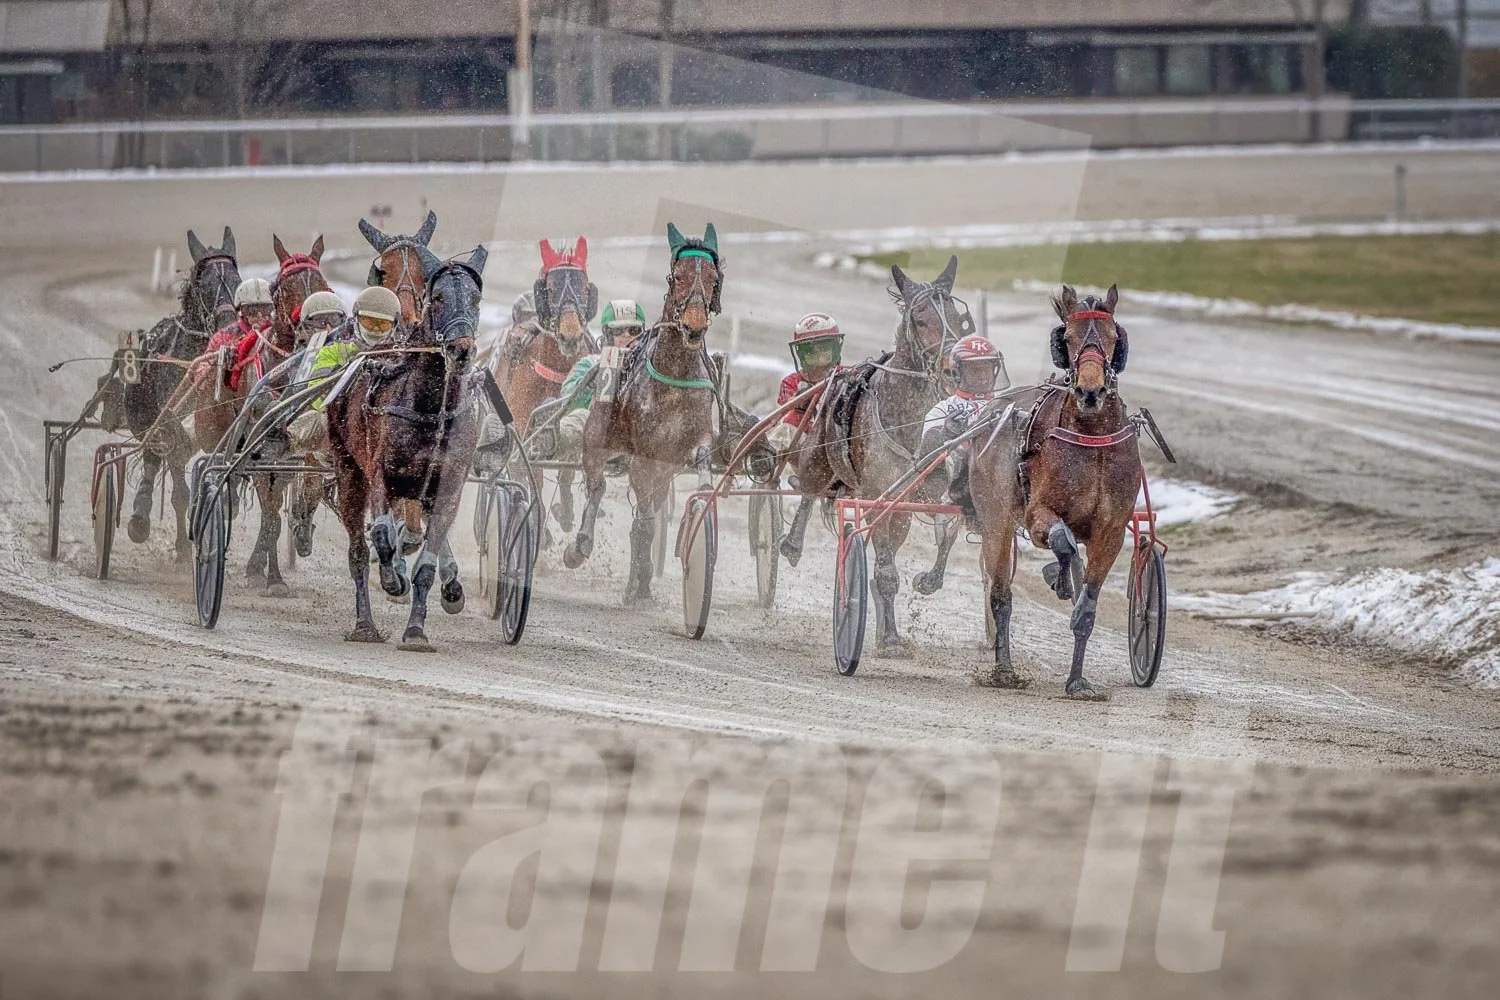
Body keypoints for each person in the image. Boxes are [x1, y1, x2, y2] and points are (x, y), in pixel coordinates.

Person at [286, 286, 400, 454]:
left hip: (388, 421)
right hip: (343, 420)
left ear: (394, 325)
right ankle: (285, 440)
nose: (375, 330)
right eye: (369, 322)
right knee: (320, 420)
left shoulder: (402, 355)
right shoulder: (334, 350)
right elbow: (316, 395)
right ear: (357, 319)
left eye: (382, 325)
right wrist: (343, 402)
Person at [919, 334, 1009, 510]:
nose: (983, 376)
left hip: (1000, 482)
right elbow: (926, 455)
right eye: (975, 370)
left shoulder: (1008, 405)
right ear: (957, 373)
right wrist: (945, 432)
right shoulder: (942, 410)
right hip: (955, 486)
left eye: (987, 369)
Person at [552, 298, 646, 460]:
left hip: (639, 429)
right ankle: (553, 441)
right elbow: (568, 397)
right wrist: (592, 382)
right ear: (608, 334)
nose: (627, 336)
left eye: (633, 330)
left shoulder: (649, 367)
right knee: (580, 416)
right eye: (619, 331)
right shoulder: (590, 363)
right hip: (597, 429)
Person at [768, 312, 845, 457]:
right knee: (786, 427)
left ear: (835, 348)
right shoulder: (791, 383)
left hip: (838, 449)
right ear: (801, 353)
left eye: (823, 348)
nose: (817, 355)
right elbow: (784, 421)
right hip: (805, 452)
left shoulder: (847, 377)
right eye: (809, 350)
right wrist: (799, 405)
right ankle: (766, 463)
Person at [204, 277, 274, 393]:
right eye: (252, 310)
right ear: (241, 310)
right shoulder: (223, 337)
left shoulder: (276, 336)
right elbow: (203, 372)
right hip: (232, 398)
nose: (260, 315)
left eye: (265, 309)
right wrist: (222, 365)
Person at [290, 290, 347, 385]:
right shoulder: (301, 354)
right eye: (321, 322)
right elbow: (297, 387)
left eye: (334, 320)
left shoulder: (350, 344)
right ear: (308, 326)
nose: (329, 328)